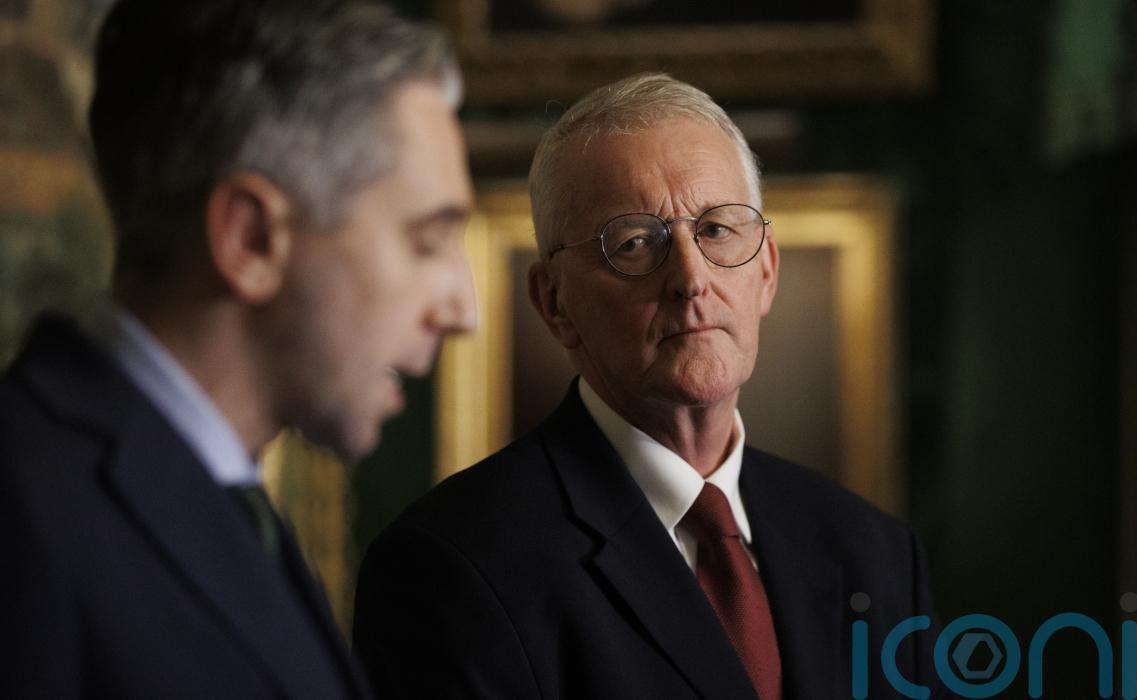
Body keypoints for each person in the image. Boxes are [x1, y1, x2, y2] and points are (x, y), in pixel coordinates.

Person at [354, 73, 946, 699]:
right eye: (635, 243)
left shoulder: (875, 553)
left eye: (716, 230)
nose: (690, 279)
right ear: (553, 301)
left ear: (767, 270)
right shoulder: (454, 568)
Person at [0, 1, 475, 697]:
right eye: (426, 242)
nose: (463, 310)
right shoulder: (22, 511)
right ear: (251, 240)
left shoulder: (227, 495)